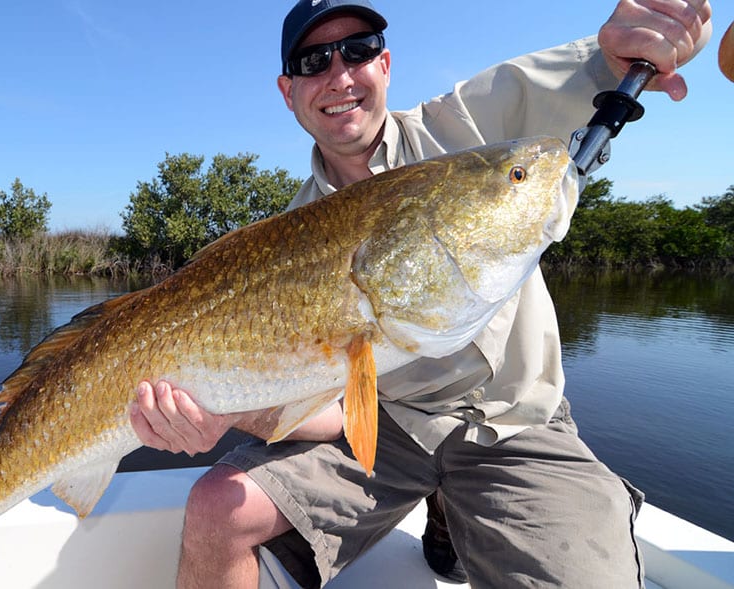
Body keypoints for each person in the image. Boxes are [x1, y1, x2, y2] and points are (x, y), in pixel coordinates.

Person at [129, 1, 713, 587]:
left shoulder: (462, 130)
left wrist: (620, 49)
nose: (339, 75)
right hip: (385, 427)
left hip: (512, 420)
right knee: (216, 507)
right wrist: (223, 410)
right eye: (313, 61)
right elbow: (330, 414)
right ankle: (440, 503)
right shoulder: (286, 239)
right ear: (288, 90)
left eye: (357, 51)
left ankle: (454, 508)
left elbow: (571, 75)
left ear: (385, 64)